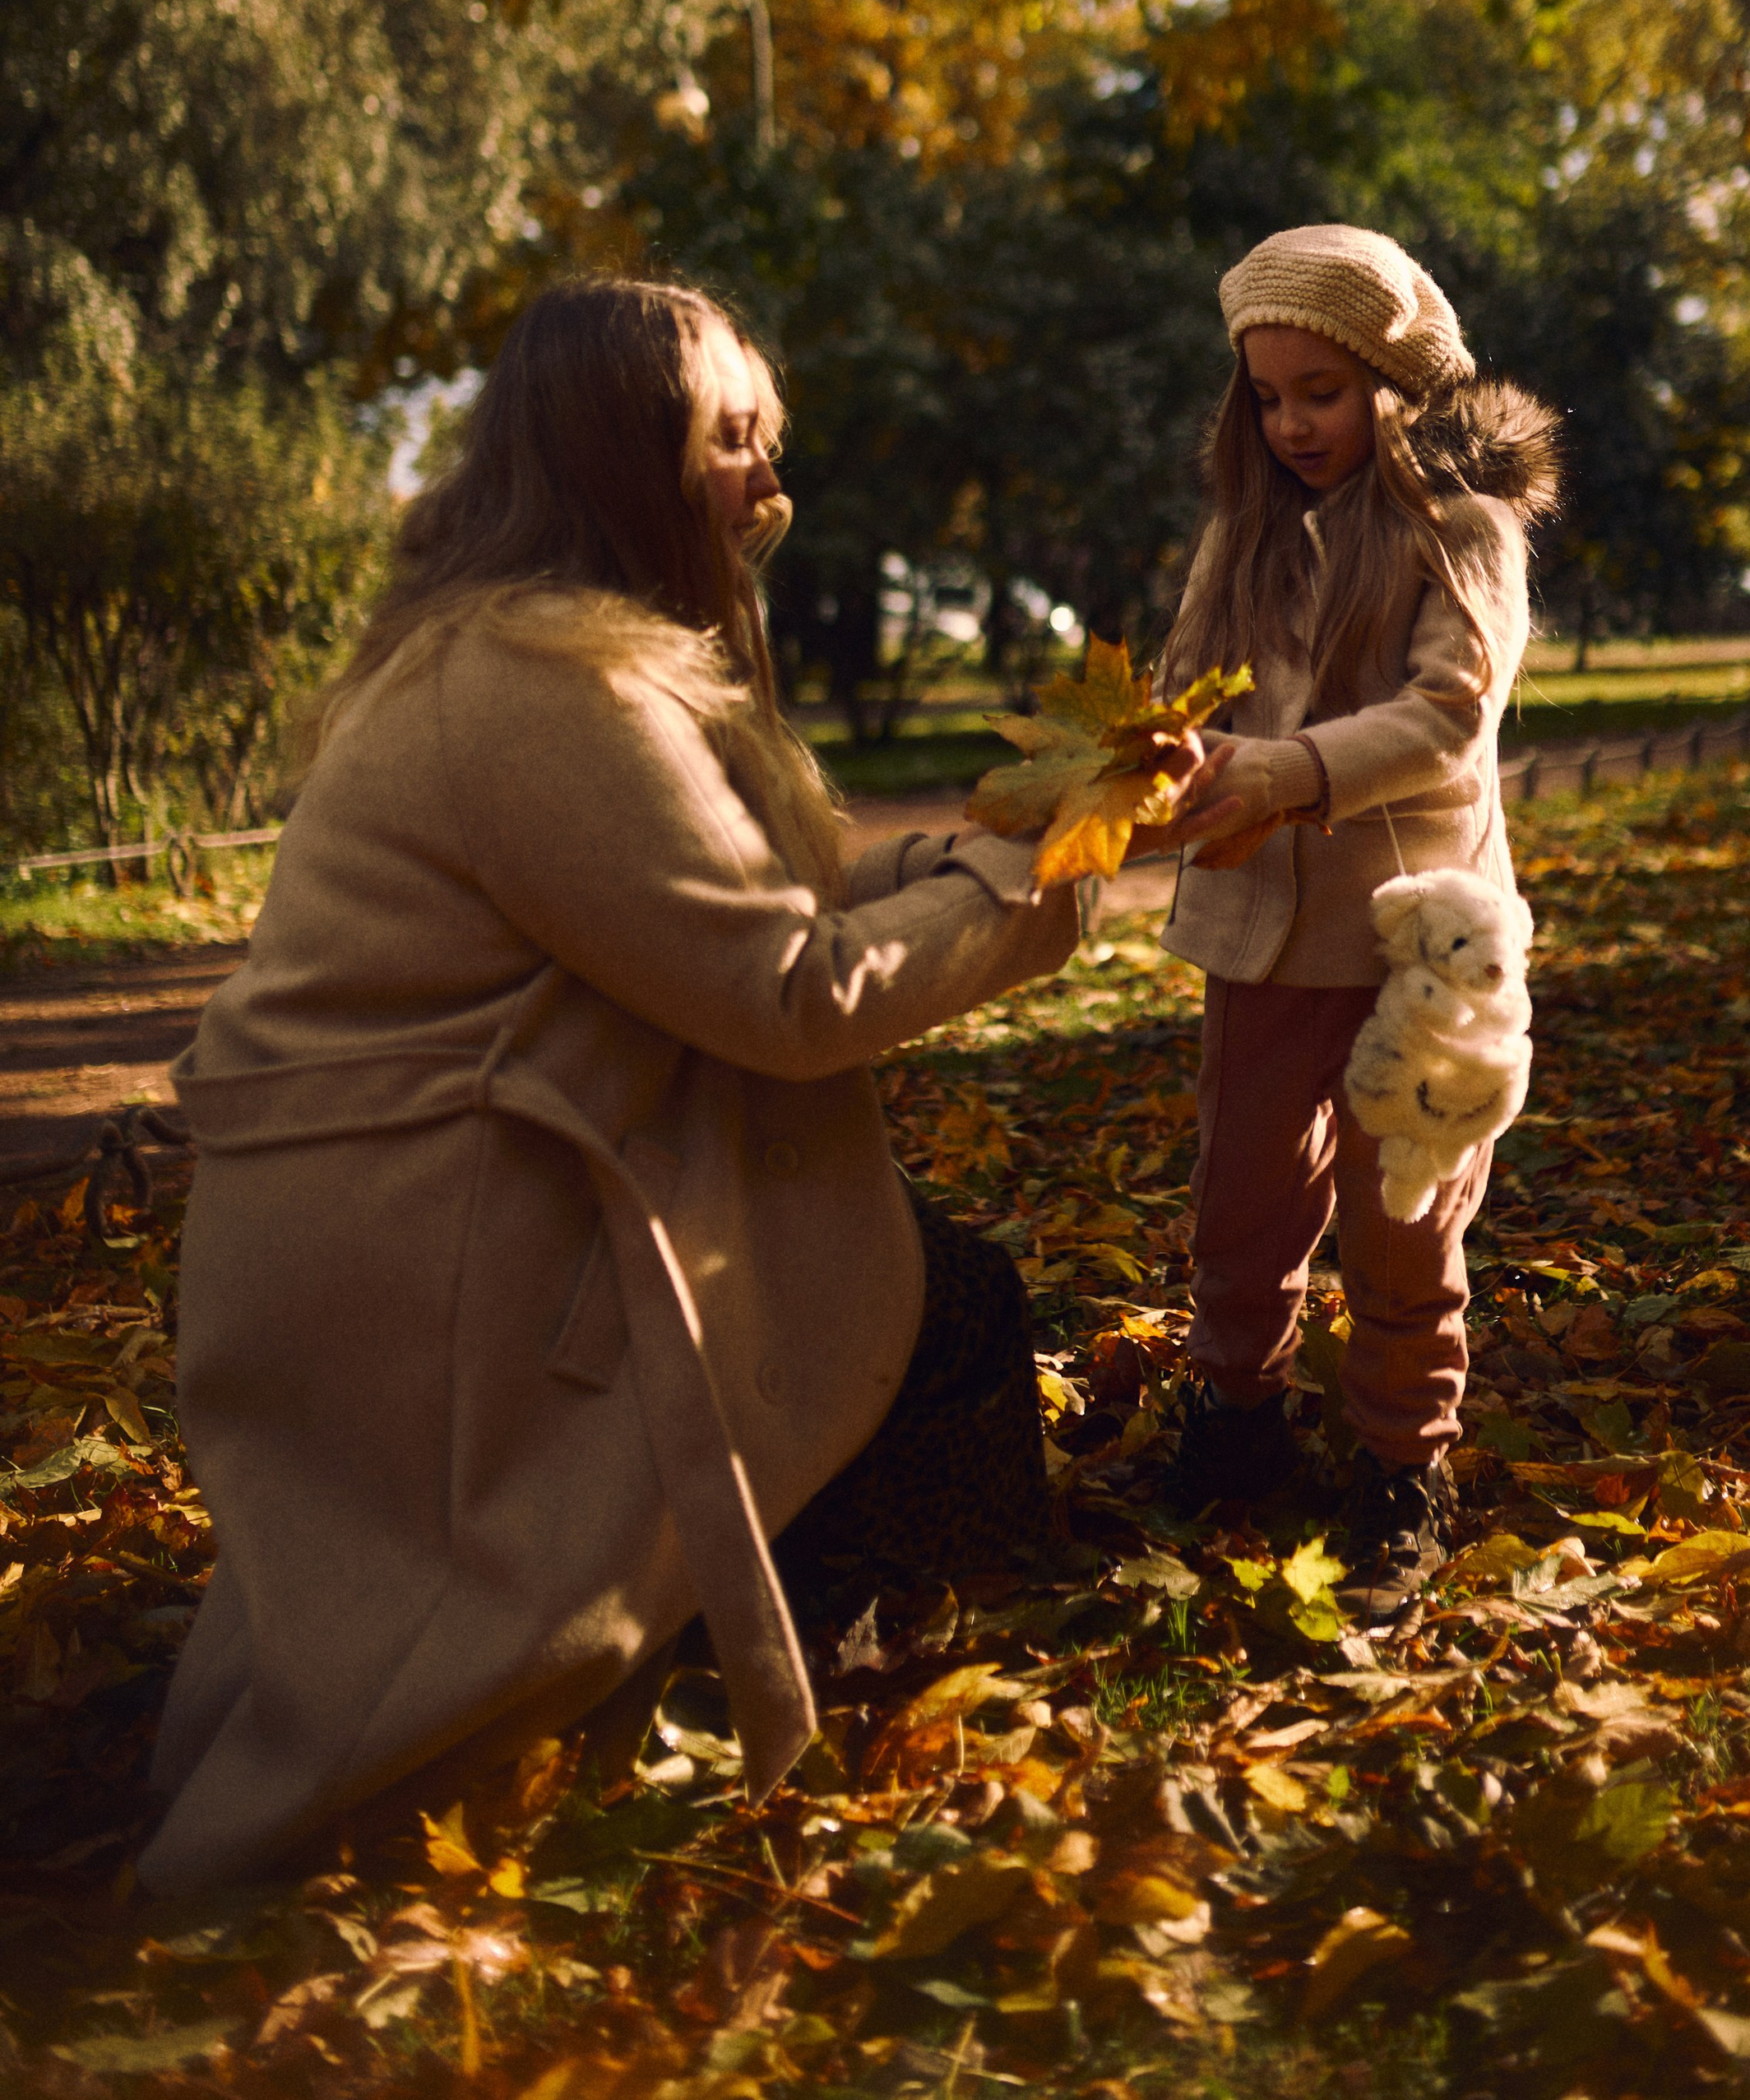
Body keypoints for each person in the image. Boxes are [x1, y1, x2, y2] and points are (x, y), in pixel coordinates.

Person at [141, 276, 1200, 1894]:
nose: (771, 475)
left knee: (931, 1286)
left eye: (770, 434)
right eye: (730, 439)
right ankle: (880, 1689)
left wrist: (999, 836)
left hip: (445, 1201)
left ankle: (829, 1655)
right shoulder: (537, 683)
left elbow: (747, 889)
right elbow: (786, 994)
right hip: (434, 1249)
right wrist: (1019, 881)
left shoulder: (560, 653)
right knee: (950, 1318)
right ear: (619, 460)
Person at [1155, 225, 1558, 1598]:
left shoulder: (1460, 527)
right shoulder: (1245, 533)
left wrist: (1295, 770)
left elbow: (1454, 713)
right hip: (1260, 932)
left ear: (1391, 381)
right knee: (1244, 1194)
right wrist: (1159, 762)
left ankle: (1401, 1460)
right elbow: (1187, 687)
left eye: (1318, 393)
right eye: (1265, 398)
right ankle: (1237, 1422)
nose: (1290, 426)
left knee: (1408, 1208)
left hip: (1417, 939)